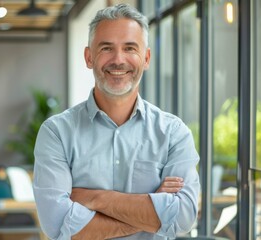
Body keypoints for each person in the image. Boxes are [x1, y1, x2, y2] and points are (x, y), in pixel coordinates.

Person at [32, 3, 200, 240]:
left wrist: (95, 198)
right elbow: (57, 224)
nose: (118, 60)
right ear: (89, 57)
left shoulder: (174, 133)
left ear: (147, 58)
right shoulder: (57, 133)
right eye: (106, 48)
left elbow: (182, 217)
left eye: (130, 48)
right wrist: (152, 213)